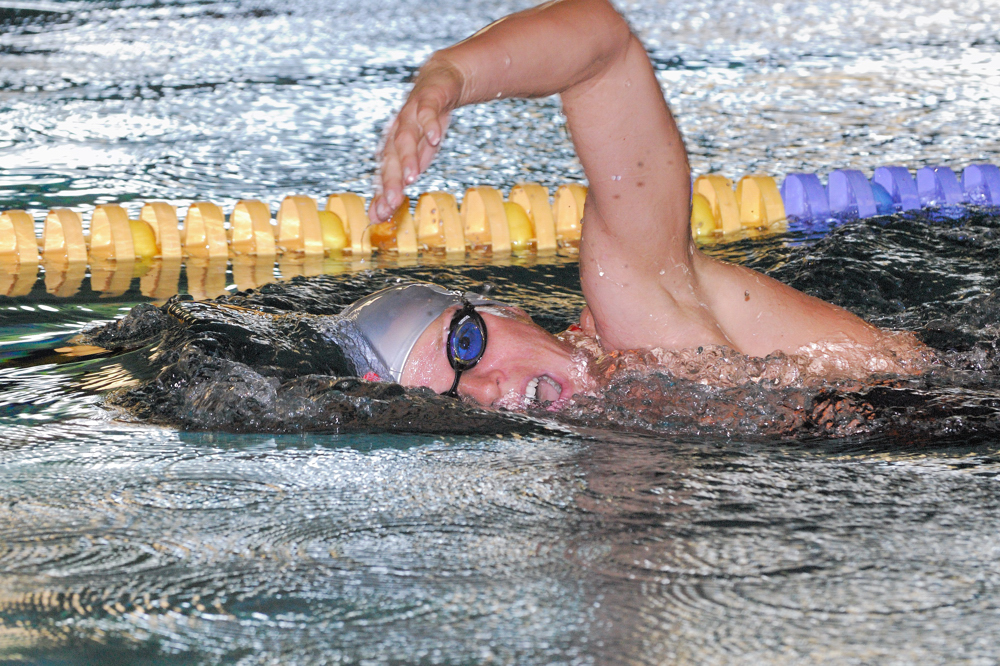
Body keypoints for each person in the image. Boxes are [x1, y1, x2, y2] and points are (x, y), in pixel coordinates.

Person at [350, 0, 925, 409]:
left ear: (509, 311)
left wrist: (447, 75)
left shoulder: (632, 303)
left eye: (466, 345)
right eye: (453, 403)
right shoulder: (614, 420)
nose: (489, 390)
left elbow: (604, 51)